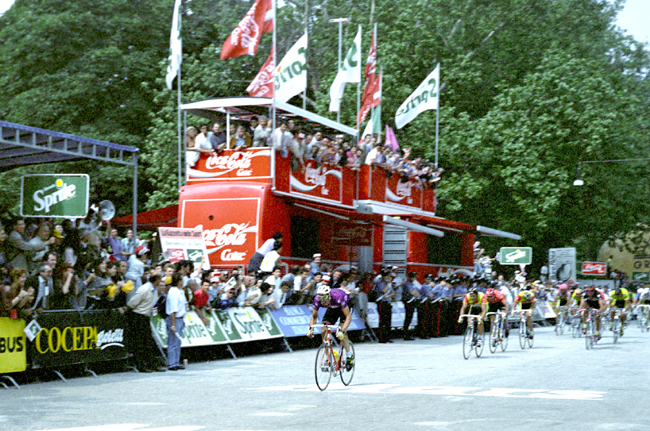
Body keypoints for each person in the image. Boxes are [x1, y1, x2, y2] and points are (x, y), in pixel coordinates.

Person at [307, 284, 354, 368]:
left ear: (329, 295)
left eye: (324, 298)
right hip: (332, 308)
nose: (322, 300)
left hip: (345, 305)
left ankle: (349, 356)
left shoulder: (338, 297)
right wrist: (311, 329)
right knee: (323, 330)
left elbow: (348, 316)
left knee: (340, 334)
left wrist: (342, 331)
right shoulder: (317, 300)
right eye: (321, 298)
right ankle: (327, 357)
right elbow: (314, 316)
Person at [126, 273, 166, 372]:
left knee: (148, 342)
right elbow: (132, 303)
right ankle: (141, 366)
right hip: (138, 316)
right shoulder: (144, 289)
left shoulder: (154, 290)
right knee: (140, 342)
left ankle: (151, 364)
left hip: (145, 317)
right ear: (156, 280)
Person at [166, 274, 188, 371]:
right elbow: (173, 310)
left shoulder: (181, 291)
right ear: (178, 282)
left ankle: (176, 361)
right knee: (173, 341)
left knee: (178, 342)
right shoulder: (173, 292)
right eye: (182, 280)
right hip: (174, 318)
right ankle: (171, 363)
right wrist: (173, 324)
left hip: (180, 318)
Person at [373, 270, 395, 343]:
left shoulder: (389, 284)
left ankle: (388, 337)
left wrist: (388, 295)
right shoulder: (379, 283)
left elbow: (393, 293)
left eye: (387, 276)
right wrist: (388, 284)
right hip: (381, 302)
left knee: (388, 321)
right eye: (385, 276)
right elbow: (383, 291)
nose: (386, 277)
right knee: (382, 321)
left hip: (387, 302)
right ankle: (382, 338)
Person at [401, 271, 421, 340]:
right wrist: (415, 293)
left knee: (410, 317)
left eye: (414, 277)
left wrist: (416, 293)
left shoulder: (413, 283)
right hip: (408, 301)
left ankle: (407, 333)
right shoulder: (407, 283)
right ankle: (405, 334)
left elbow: (418, 292)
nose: (413, 279)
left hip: (413, 301)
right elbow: (411, 292)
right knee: (408, 317)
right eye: (412, 277)